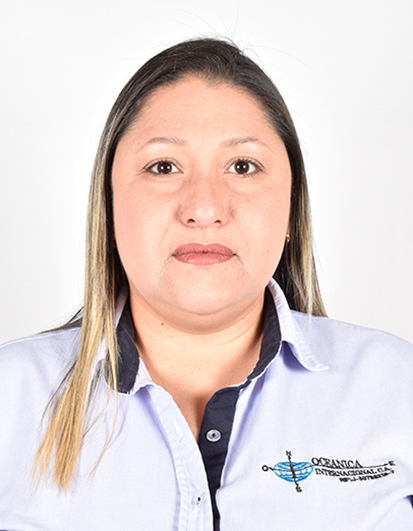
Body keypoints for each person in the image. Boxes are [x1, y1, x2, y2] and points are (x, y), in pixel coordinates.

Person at [0, 38, 412, 531]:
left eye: (242, 167)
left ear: (291, 207)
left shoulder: (397, 387)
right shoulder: (10, 396)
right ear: (108, 207)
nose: (204, 208)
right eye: (163, 167)